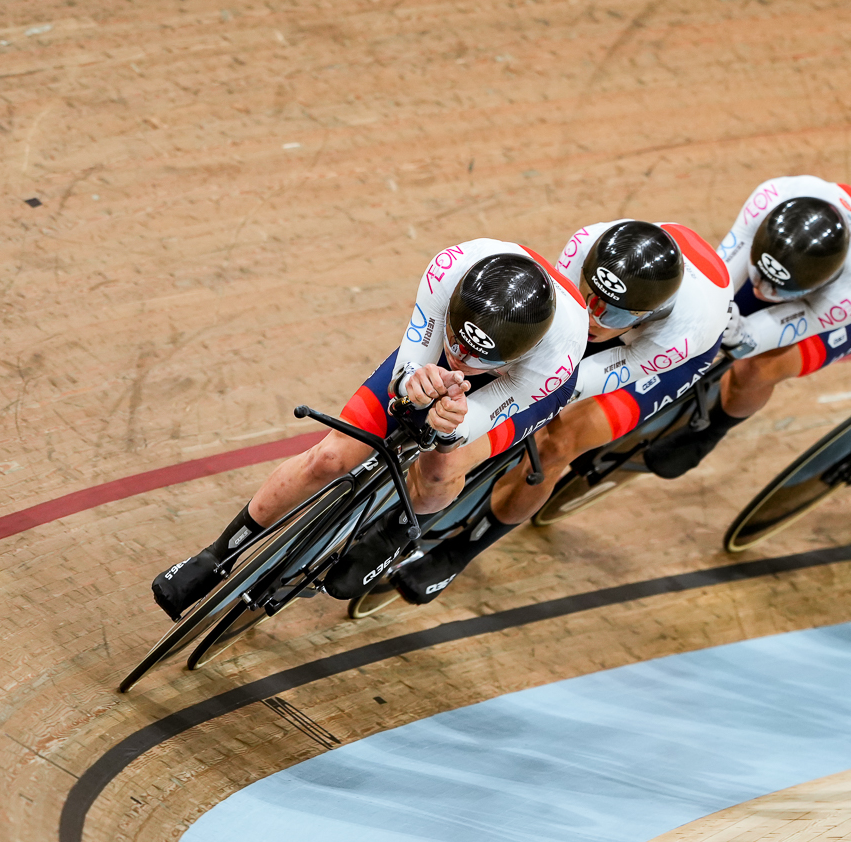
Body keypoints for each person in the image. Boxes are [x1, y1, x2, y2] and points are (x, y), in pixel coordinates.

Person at [151, 241, 587, 617]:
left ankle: (397, 529)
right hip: (470, 337)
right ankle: (217, 554)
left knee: (440, 469)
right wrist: (413, 383)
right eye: (458, 344)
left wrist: (450, 422)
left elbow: (467, 426)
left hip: (515, 388)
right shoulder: (450, 270)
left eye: (480, 361)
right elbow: (408, 373)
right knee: (329, 458)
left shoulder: (553, 362)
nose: (463, 362)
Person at [389, 218, 733, 603]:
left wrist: (515, 406)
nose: (593, 317)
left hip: (650, 356)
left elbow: (570, 383)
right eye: (591, 296)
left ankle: (460, 550)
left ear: (643, 315)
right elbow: (560, 319)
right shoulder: (586, 243)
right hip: (628, 302)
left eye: (613, 314)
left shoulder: (682, 335)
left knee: (558, 441)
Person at [640, 176, 851, 479]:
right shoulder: (771, 197)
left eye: (779, 290)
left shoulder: (849, 295)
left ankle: (713, 430)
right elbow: (715, 285)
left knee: (754, 370)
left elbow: (750, 340)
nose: (764, 290)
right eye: (761, 275)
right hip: (792, 265)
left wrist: (739, 335)